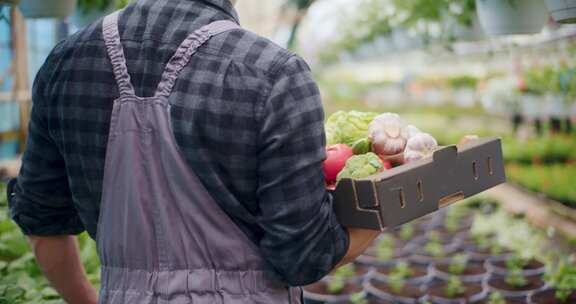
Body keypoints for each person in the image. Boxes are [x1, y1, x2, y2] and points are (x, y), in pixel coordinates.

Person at [7, 0, 379, 303]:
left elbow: (43, 226)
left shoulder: (64, 64)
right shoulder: (274, 73)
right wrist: (383, 209)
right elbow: (302, 256)